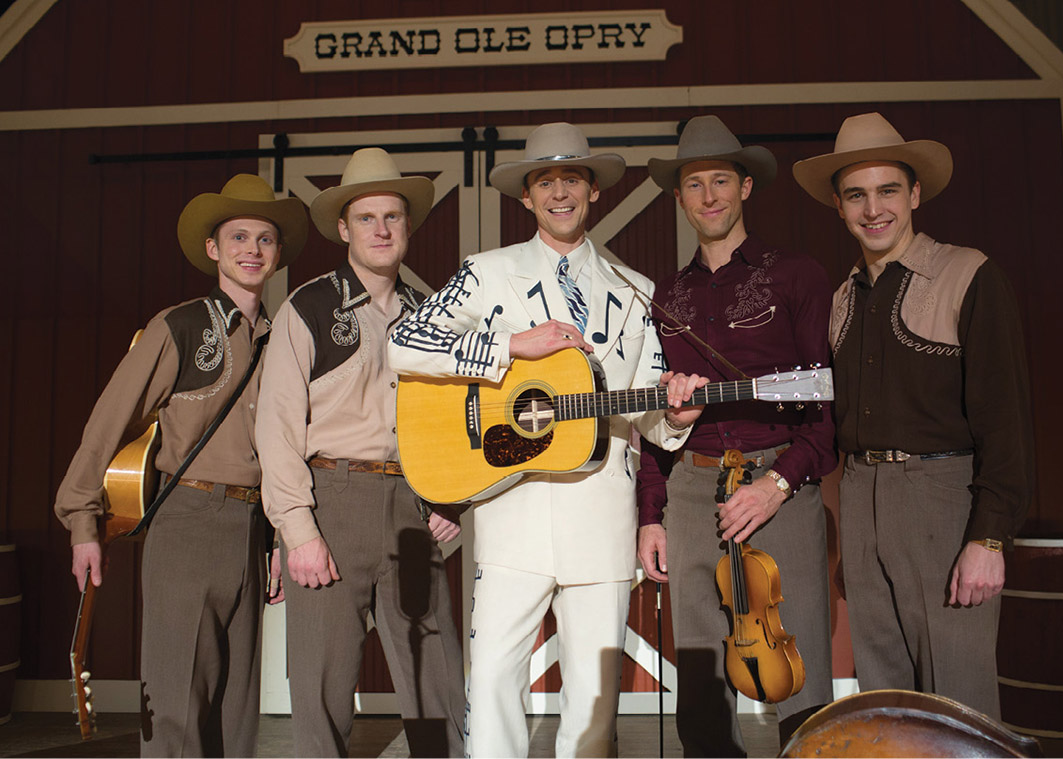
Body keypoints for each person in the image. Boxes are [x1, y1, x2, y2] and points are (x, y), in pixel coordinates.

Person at [388, 122, 706, 758]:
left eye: (572, 180)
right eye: (544, 181)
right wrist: (508, 347)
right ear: (526, 197)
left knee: (593, 700)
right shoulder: (486, 273)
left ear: (593, 192)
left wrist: (677, 417)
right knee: (496, 680)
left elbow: (647, 421)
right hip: (512, 510)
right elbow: (404, 342)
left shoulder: (637, 293)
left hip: (603, 515)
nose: (559, 193)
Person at [53, 174, 307, 756]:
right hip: (189, 519)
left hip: (252, 528)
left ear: (277, 254)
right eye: (238, 236)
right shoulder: (181, 326)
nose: (252, 249)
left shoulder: (280, 339)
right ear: (213, 249)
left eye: (265, 239)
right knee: (178, 704)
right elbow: (107, 424)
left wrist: (277, 541)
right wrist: (83, 523)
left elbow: (280, 449)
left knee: (237, 709)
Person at [792, 112, 1034, 717]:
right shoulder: (844, 296)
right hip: (862, 495)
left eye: (888, 190)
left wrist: (988, 537)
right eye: (856, 195)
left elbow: (1006, 420)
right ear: (838, 205)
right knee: (887, 698)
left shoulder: (967, 274)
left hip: (945, 501)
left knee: (959, 701)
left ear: (915, 194)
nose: (873, 209)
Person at [636, 115, 837, 754]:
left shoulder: (796, 276)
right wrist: (651, 515)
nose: (710, 196)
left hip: (777, 480)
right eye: (695, 185)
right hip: (693, 487)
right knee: (698, 676)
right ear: (679, 199)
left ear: (745, 186)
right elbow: (652, 422)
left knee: (795, 661)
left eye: (721, 180)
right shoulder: (664, 297)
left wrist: (779, 484)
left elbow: (826, 403)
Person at [256, 147, 466, 757]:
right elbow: (275, 427)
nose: (381, 229)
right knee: (321, 686)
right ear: (344, 229)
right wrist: (297, 530)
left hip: (411, 504)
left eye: (392, 218)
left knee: (437, 683)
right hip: (331, 503)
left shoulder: (433, 316)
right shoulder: (309, 307)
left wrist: (453, 498)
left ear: (407, 227)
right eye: (367, 218)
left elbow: (460, 421)